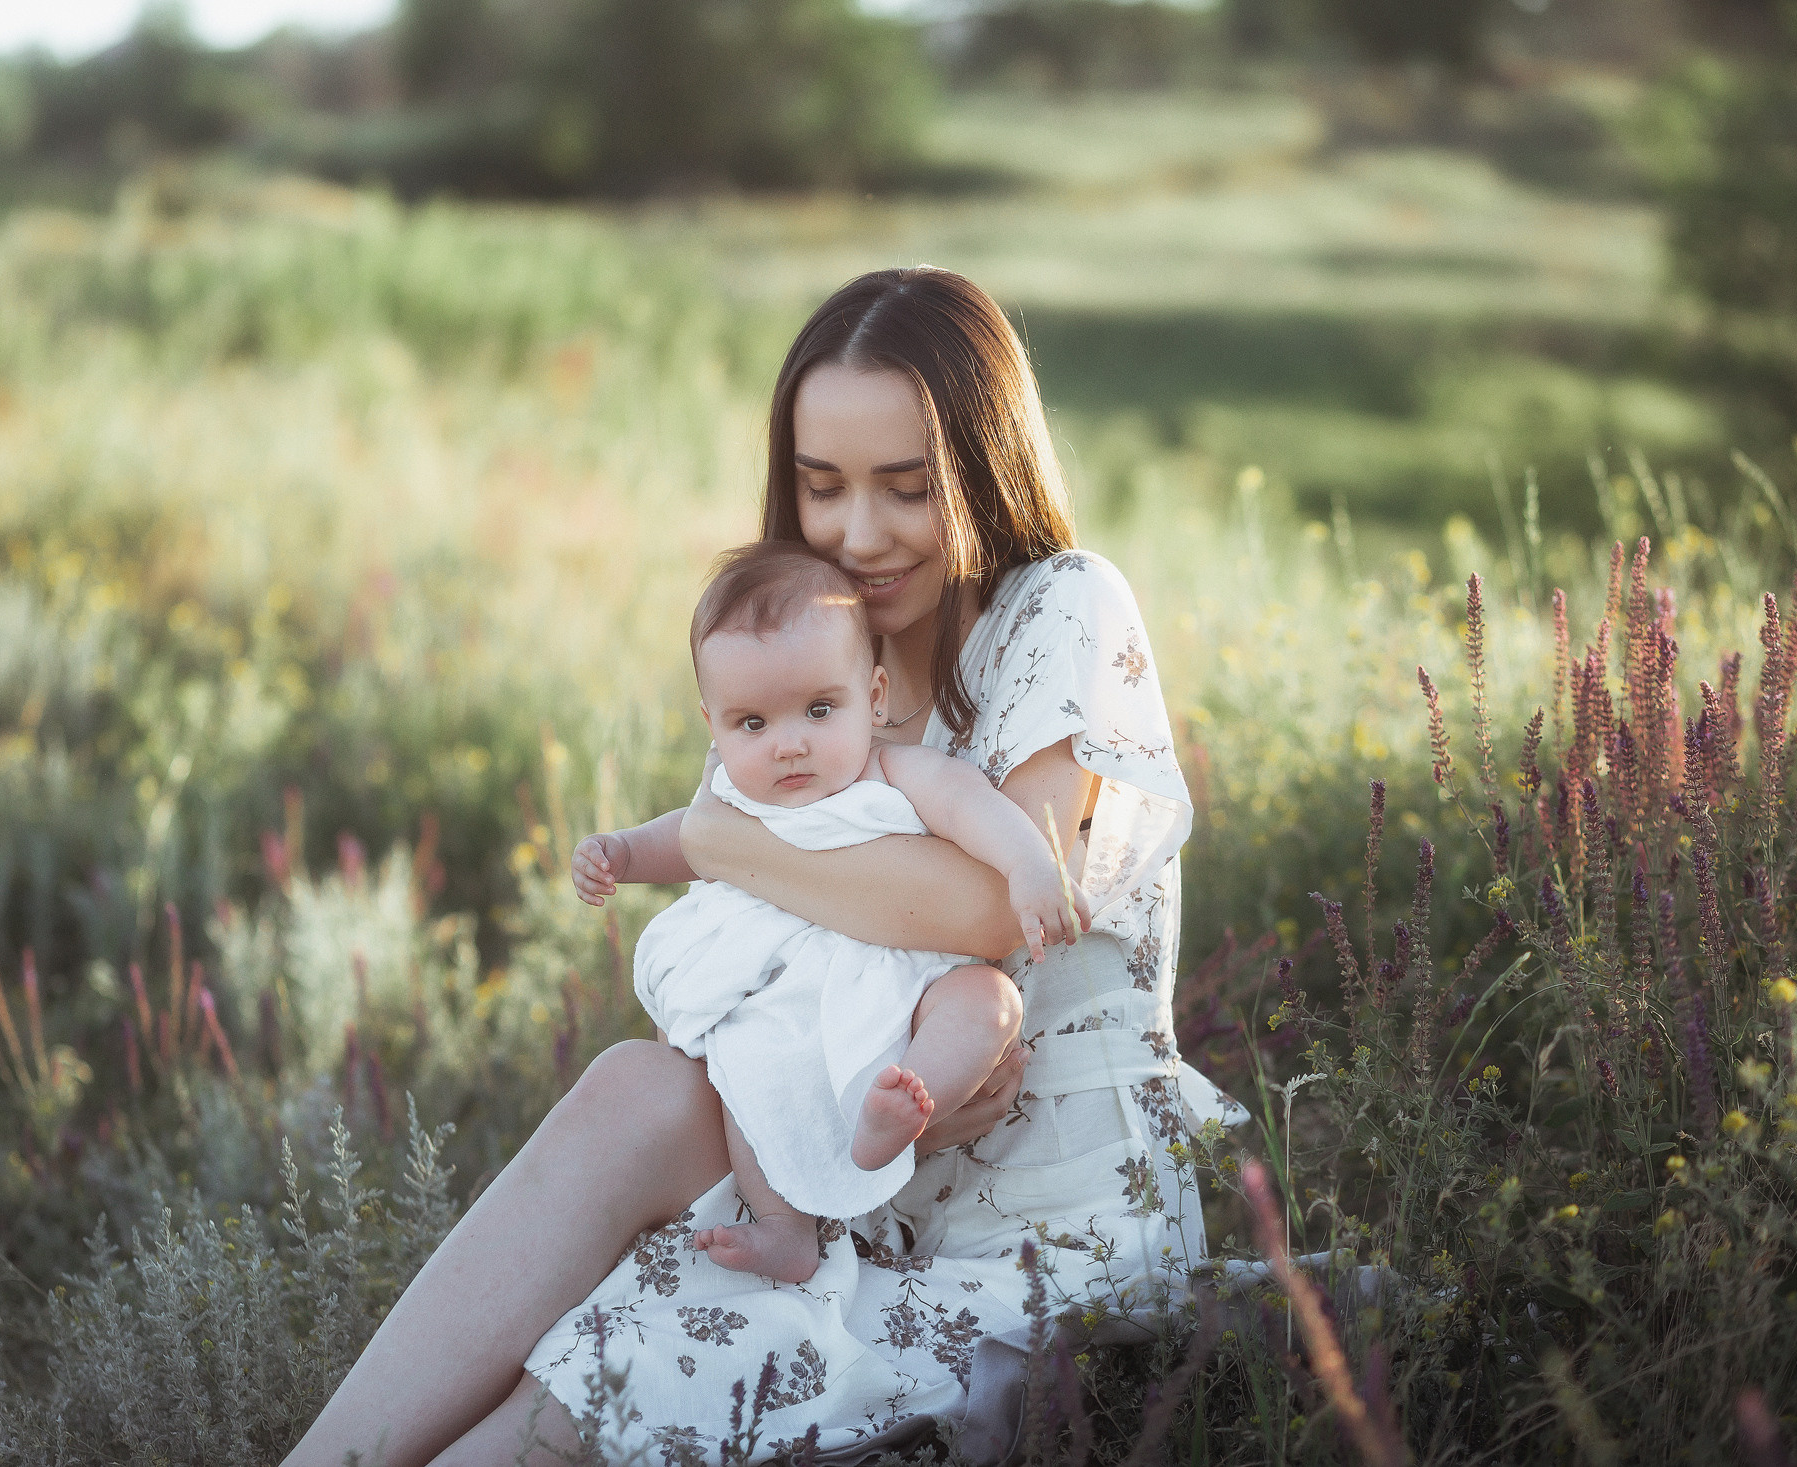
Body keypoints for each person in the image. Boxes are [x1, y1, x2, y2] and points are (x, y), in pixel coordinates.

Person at [282, 266, 1237, 1467]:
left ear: (984, 469)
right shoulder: (812, 648)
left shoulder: (1061, 609)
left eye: (907, 487)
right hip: (850, 1194)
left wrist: (726, 839)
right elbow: (765, 982)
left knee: (609, 1393)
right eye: (821, 484)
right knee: (635, 1103)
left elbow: (997, 907)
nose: (858, 532)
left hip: (1051, 1234)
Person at [571, 539, 1092, 1285]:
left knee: (988, 1000)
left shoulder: (891, 766)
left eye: (820, 709)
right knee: (747, 1062)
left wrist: (1029, 864)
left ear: (873, 698)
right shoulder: (732, 792)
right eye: (752, 723)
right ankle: (785, 1228)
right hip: (789, 993)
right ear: (712, 723)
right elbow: (690, 841)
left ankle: (913, 1099)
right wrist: (621, 852)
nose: (789, 745)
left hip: (899, 978)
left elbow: (969, 805)